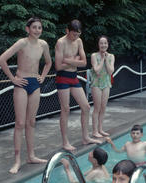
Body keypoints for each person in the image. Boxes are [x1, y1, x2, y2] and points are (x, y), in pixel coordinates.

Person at [0, 17, 52, 174]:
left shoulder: (44, 45)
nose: (37, 30)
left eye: (39, 27)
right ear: (27, 29)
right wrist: (13, 78)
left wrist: (43, 75)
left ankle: (31, 156)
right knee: (20, 123)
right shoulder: (22, 43)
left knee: (32, 122)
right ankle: (17, 160)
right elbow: (2, 59)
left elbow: (48, 62)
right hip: (21, 83)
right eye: (34, 27)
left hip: (35, 83)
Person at [55, 19, 101, 151]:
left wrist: (68, 60)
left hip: (73, 77)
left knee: (86, 107)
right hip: (63, 77)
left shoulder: (79, 41)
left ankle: (85, 137)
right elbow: (58, 66)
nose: (75, 37)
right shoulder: (60, 43)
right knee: (65, 109)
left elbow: (84, 63)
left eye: (78, 34)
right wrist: (75, 61)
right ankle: (65, 142)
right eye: (73, 34)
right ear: (67, 31)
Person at [90, 35, 115, 138]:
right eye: (101, 43)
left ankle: (100, 129)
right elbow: (97, 70)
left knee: (103, 107)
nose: (103, 45)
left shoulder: (111, 56)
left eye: (105, 43)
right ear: (98, 44)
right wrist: (103, 59)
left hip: (106, 83)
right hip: (96, 83)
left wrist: (106, 59)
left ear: (108, 44)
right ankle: (95, 131)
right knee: (97, 108)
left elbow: (110, 71)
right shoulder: (94, 56)